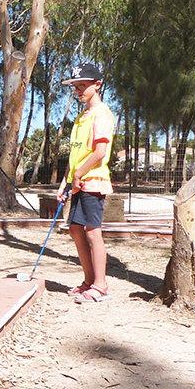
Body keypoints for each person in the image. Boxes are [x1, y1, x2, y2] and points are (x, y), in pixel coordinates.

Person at [58, 63, 114, 304]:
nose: (79, 91)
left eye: (83, 86)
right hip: (78, 181)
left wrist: (79, 174)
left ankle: (100, 285)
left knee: (93, 232)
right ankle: (88, 280)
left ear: (97, 85)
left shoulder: (102, 114)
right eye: (76, 87)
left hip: (93, 181)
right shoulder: (81, 118)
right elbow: (75, 154)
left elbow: (100, 152)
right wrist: (65, 182)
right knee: (74, 230)